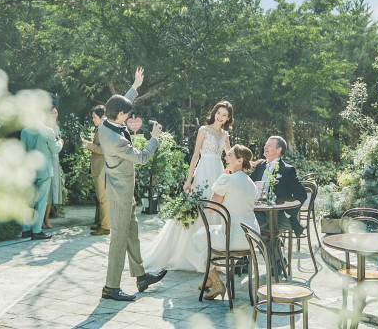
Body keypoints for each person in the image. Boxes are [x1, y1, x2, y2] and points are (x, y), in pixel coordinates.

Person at [98, 67, 167, 302]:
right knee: (119, 237)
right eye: (126, 115)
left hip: (123, 188)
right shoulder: (116, 140)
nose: (128, 117)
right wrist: (155, 137)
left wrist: (135, 87)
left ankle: (141, 276)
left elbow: (122, 103)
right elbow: (142, 158)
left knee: (132, 232)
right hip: (119, 191)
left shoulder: (107, 120)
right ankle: (111, 286)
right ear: (118, 115)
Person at [142, 101, 232, 272]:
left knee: (216, 207)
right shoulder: (203, 130)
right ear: (214, 113)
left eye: (224, 115)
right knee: (200, 209)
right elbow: (195, 155)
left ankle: (212, 255)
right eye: (219, 113)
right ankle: (190, 255)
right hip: (204, 171)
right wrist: (188, 180)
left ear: (228, 118)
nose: (220, 117)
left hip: (219, 172)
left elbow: (230, 156)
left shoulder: (225, 135)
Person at [190, 144, 260, 300]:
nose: (226, 158)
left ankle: (215, 281)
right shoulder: (251, 183)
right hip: (251, 237)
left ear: (240, 160)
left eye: (229, 155)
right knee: (207, 234)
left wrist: (221, 179)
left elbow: (211, 210)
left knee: (197, 238)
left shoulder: (226, 179)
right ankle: (209, 279)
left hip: (231, 237)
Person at [20, 106, 64, 240]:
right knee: (41, 201)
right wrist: (61, 142)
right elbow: (55, 150)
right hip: (44, 171)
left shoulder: (25, 131)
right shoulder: (48, 131)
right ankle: (37, 231)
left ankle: (26, 229)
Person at [251, 136, 307, 238]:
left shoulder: (287, 170)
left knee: (264, 233)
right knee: (250, 228)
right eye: (265, 145)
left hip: (279, 214)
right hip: (259, 212)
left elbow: (302, 194)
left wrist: (288, 214)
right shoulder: (260, 166)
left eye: (269, 145)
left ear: (279, 149)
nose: (265, 147)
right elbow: (249, 184)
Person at [82, 105, 110, 235]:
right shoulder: (101, 127)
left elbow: (103, 149)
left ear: (102, 116)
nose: (93, 119)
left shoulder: (104, 128)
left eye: (94, 117)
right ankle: (102, 223)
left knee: (103, 198)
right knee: (100, 198)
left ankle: (105, 226)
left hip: (101, 168)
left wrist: (88, 145)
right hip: (99, 168)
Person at [43, 104, 63, 230]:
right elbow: (55, 145)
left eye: (56, 112)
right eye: (52, 113)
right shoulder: (45, 129)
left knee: (52, 192)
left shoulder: (56, 127)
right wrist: (60, 144)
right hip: (47, 161)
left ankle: (46, 219)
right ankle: (41, 220)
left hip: (55, 161)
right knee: (46, 192)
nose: (54, 115)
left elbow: (58, 142)